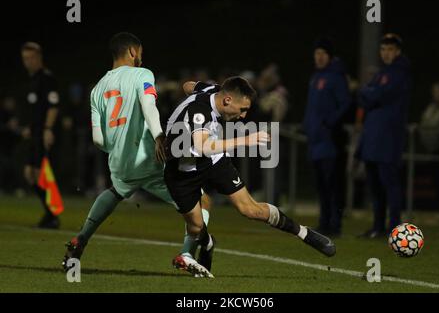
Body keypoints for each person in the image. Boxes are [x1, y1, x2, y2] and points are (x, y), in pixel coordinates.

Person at [61, 33, 212, 276]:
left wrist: (119, 149)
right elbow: (148, 106)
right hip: (151, 159)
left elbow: (98, 139)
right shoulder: (143, 74)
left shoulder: (97, 88)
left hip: (119, 162)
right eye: (140, 52)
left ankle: (81, 239)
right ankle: (186, 254)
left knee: (117, 190)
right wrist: (159, 136)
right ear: (132, 51)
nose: (141, 56)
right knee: (202, 200)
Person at [164, 77, 336, 278]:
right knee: (195, 226)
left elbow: (188, 85)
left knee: (250, 209)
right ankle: (208, 243)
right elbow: (202, 146)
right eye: (242, 109)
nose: (243, 116)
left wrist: (191, 94)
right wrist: (247, 139)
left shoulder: (214, 90)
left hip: (213, 159)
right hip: (182, 168)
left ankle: (303, 232)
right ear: (227, 101)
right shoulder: (199, 112)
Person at [357, 33, 411, 238]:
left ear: (397, 51)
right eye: (383, 49)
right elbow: (366, 98)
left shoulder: (399, 72)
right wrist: (368, 92)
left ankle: (393, 227)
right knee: (375, 185)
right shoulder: (383, 73)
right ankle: (378, 227)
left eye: (390, 49)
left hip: (388, 137)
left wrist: (367, 91)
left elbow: (373, 95)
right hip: (374, 138)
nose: (386, 53)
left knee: (389, 183)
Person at [302, 38, 351, 237]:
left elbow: (345, 103)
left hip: (330, 141)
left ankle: (335, 224)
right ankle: (324, 222)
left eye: (323, 53)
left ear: (330, 56)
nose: (319, 57)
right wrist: (307, 125)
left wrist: (330, 123)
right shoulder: (315, 77)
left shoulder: (336, 77)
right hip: (316, 141)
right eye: (317, 53)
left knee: (333, 183)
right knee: (321, 185)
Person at [20, 42, 61, 229]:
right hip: (34, 132)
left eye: (30, 58)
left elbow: (53, 107)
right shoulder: (31, 80)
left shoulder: (46, 78)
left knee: (40, 173)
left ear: (38, 57)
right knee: (30, 174)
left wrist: (47, 129)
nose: (27, 62)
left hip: (43, 133)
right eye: (25, 59)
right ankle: (49, 212)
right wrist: (29, 127)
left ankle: (52, 214)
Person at [419, 82, 439, 154]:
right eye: (435, 92)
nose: (437, 94)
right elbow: (425, 125)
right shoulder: (430, 109)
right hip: (431, 146)